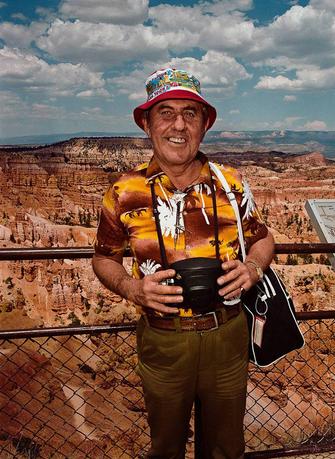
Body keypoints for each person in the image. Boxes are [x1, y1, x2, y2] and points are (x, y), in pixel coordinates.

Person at [92, 67, 274, 458]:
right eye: (166, 113)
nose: (179, 125)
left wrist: (253, 269)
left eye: (190, 114)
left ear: (204, 125)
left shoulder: (231, 184)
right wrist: (131, 288)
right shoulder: (124, 192)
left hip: (227, 335)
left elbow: (263, 239)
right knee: (166, 447)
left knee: (226, 447)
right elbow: (103, 258)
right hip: (162, 338)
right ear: (147, 123)